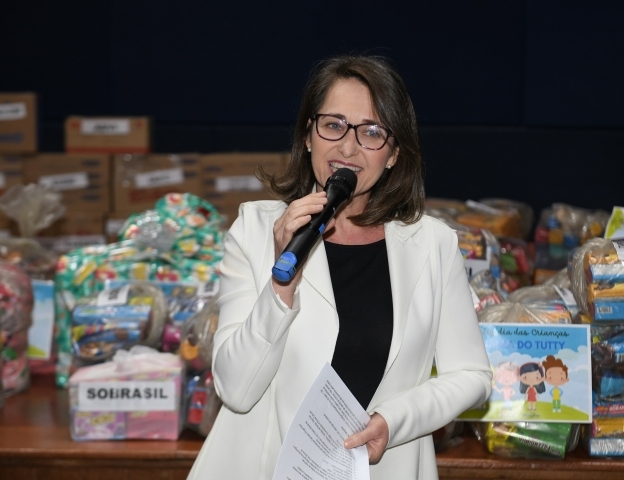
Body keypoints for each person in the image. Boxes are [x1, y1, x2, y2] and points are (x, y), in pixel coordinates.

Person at [187, 54, 492, 480]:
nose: (347, 148)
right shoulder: (257, 231)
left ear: (393, 155)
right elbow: (236, 390)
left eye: (371, 133)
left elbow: (472, 376)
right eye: (333, 125)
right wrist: (281, 280)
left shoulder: (433, 244)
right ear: (308, 135)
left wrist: (393, 420)